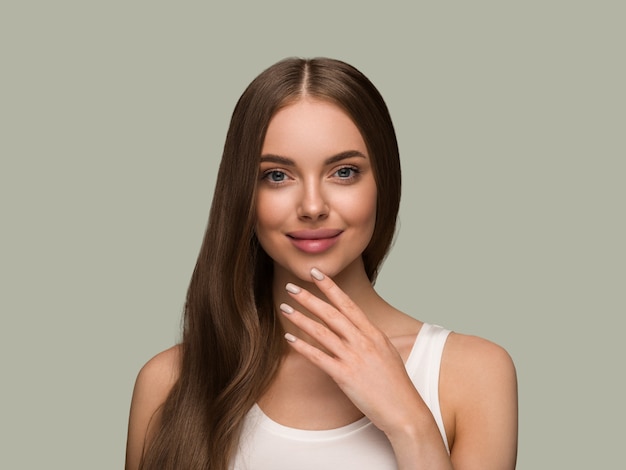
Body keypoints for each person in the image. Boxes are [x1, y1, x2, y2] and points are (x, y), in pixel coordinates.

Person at [125, 57, 518, 470]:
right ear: (242, 194)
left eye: (344, 172)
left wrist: (411, 424)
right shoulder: (168, 383)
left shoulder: (473, 375)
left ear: (384, 182)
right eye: (277, 176)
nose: (312, 206)